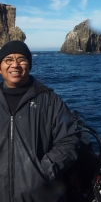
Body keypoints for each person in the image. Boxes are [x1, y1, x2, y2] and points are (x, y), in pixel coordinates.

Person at [0, 40, 79, 201]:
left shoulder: (50, 101)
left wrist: (43, 171)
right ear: (0, 67)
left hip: (39, 196)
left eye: (21, 59)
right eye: (8, 60)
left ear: (29, 65)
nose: (14, 65)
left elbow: (69, 140)